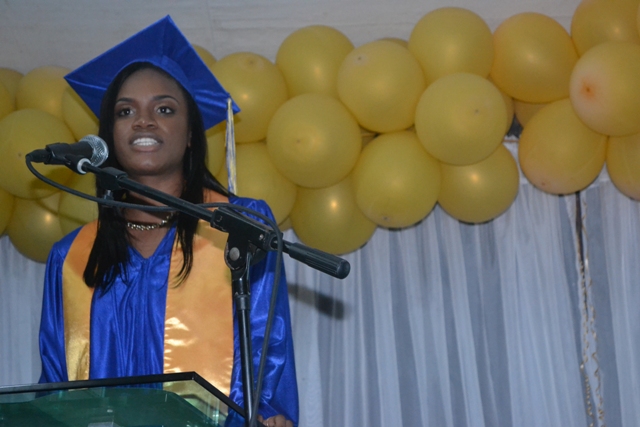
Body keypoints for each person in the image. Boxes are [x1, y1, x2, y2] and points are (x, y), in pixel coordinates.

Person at [37, 16, 298, 427]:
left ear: (191, 133)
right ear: (107, 138)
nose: (143, 121)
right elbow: (54, 390)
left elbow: (268, 344)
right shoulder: (70, 257)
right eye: (126, 111)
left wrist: (268, 414)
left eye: (164, 108)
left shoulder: (237, 226)